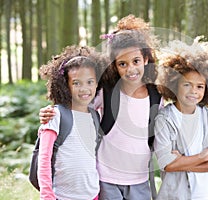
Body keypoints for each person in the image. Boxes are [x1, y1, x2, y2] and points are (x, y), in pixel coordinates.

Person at [39, 15, 163, 200]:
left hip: (140, 179)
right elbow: (77, 105)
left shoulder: (156, 96)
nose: (130, 69)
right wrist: (49, 112)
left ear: (145, 59)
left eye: (136, 61)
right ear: (115, 66)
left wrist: (202, 111)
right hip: (106, 178)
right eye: (122, 64)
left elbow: (170, 121)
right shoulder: (106, 93)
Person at [154, 40, 208, 200]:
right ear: (174, 83)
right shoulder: (164, 119)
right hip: (177, 196)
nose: (193, 91)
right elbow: (167, 164)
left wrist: (183, 162)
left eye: (200, 86)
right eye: (187, 84)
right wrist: (202, 158)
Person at [37, 45, 105, 200]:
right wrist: (47, 195)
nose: (84, 89)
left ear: (96, 84)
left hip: (92, 195)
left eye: (89, 82)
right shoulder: (56, 115)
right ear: (65, 86)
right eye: (76, 83)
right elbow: (44, 159)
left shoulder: (95, 116)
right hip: (62, 196)